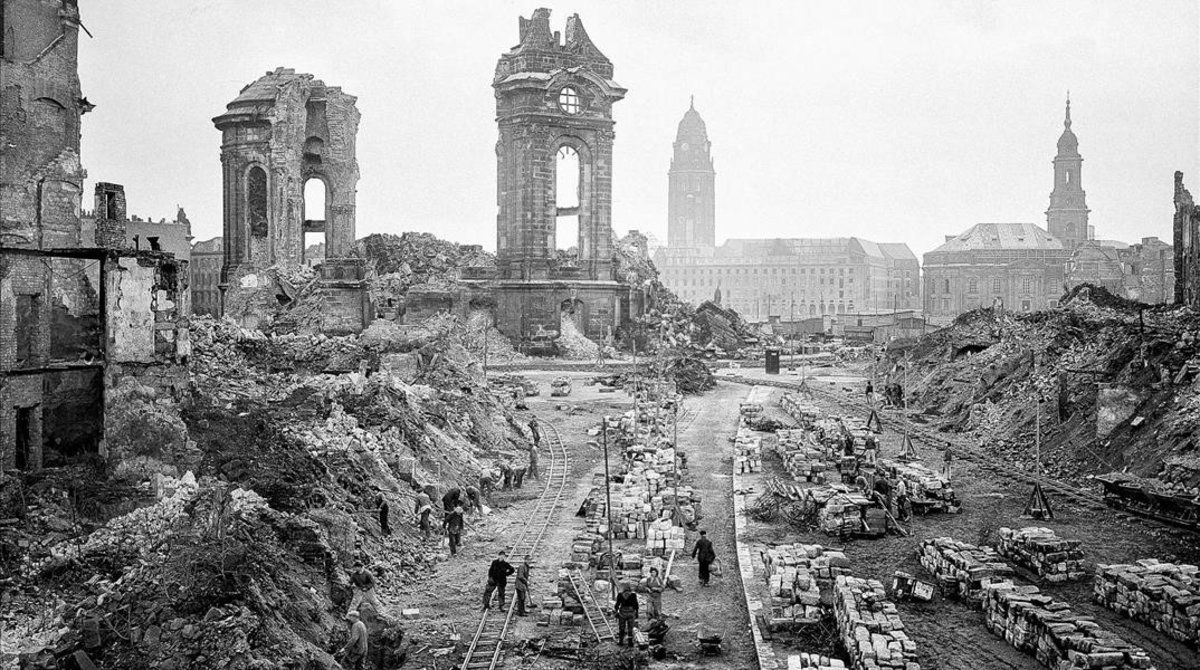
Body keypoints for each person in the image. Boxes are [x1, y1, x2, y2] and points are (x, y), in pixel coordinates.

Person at [615, 582, 639, 646]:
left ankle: (621, 642)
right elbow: (636, 605)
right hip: (631, 613)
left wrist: (616, 611)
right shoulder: (633, 595)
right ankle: (630, 642)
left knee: (621, 627)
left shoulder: (620, 595)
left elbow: (617, 605)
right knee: (630, 628)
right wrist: (636, 613)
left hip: (623, 613)